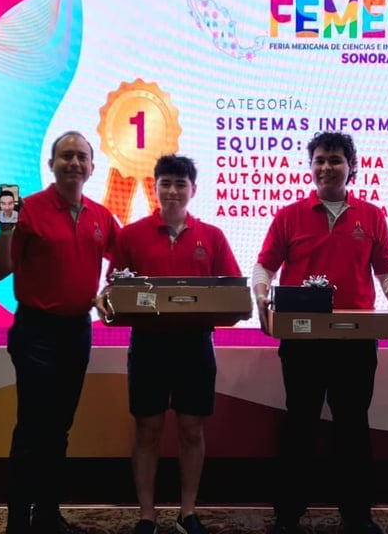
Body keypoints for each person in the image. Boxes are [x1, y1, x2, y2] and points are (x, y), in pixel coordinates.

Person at [252, 132, 388, 534]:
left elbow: (387, 267)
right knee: (299, 423)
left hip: (355, 340)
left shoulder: (371, 215)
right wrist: (261, 296)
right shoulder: (289, 215)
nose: (326, 167)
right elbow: (265, 265)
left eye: (335, 160)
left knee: (353, 425)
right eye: (319, 160)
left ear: (351, 166)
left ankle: (356, 515)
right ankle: (288, 514)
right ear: (311, 166)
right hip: (302, 340)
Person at [0, 131, 120, 534]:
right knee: (32, 429)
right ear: (52, 164)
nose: (74, 163)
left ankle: (46, 514)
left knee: (59, 428)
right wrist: (5, 229)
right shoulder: (27, 210)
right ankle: (17, 523)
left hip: (77, 332)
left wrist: (107, 293)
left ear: (93, 167)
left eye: (82, 157)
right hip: (36, 334)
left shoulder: (100, 216)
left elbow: (124, 264)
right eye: (66, 156)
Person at [108, 155, 242, 534]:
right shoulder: (130, 235)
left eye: (180, 184)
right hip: (148, 346)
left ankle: (188, 512)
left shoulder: (212, 236)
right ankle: (147, 515)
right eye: (165, 182)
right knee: (147, 430)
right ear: (155, 187)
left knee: (191, 430)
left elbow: (232, 291)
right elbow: (114, 288)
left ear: (193, 190)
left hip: (195, 346)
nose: (172, 190)